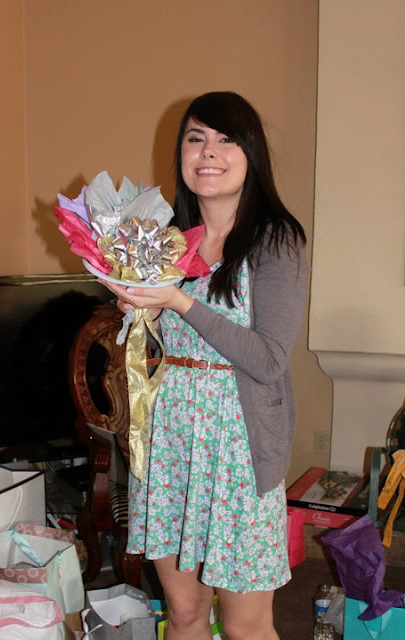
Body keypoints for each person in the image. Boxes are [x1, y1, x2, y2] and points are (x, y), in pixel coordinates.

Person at [101, 91, 308, 640]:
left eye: (226, 139)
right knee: (184, 613)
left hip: (237, 452)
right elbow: (160, 340)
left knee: (246, 627)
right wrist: (138, 310)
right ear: (182, 154)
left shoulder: (275, 240)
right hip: (170, 444)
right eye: (196, 138)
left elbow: (269, 359)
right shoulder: (166, 239)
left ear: (250, 154)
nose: (208, 152)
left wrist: (177, 302)